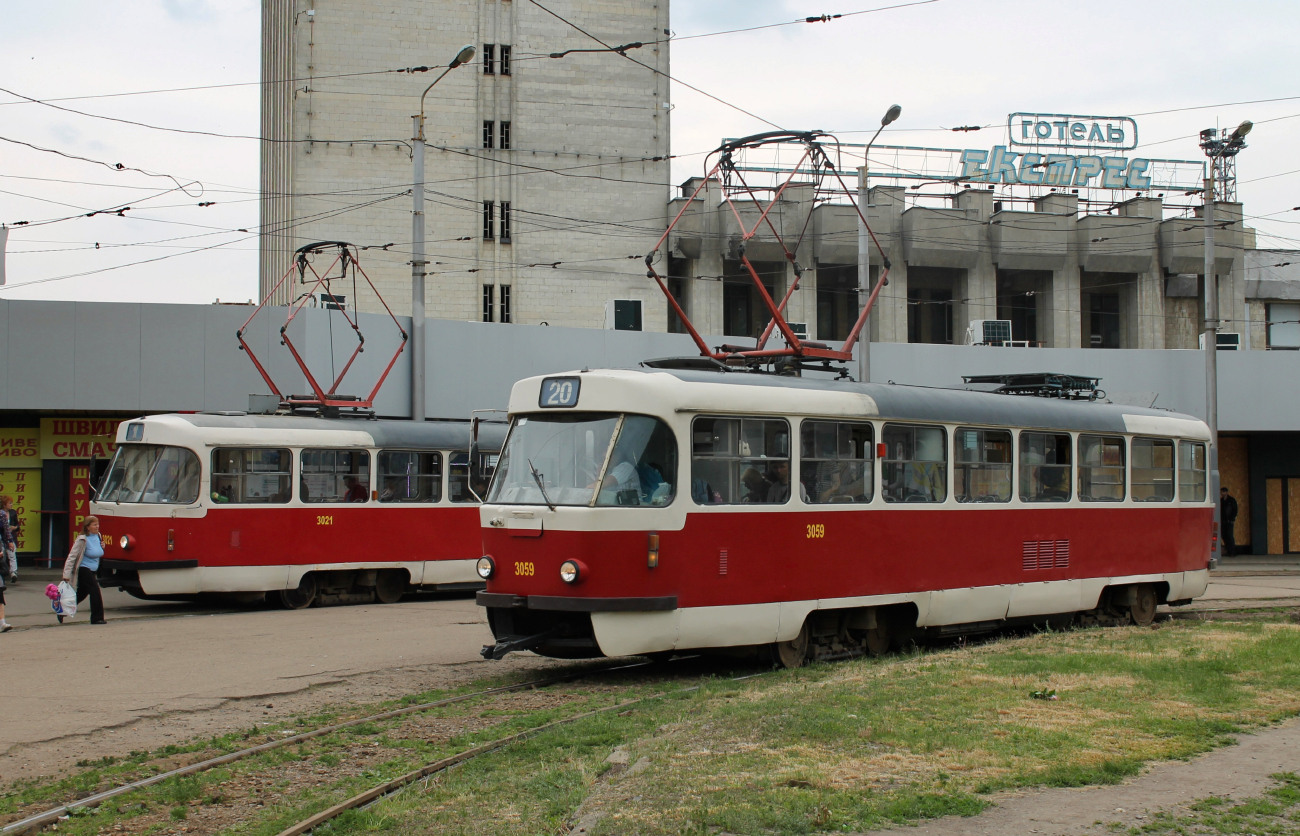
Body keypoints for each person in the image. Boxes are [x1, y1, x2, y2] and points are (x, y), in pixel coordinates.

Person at [62, 516, 106, 625]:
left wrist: (103, 547)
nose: (97, 526)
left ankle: (62, 610)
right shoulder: (82, 539)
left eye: (98, 524)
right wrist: (66, 574)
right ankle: (97, 618)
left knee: (82, 594)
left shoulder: (98, 536)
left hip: (93, 569)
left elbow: (97, 552)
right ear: (87, 527)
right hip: (84, 569)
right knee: (95, 591)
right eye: (94, 525)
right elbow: (72, 556)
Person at [1220, 486, 1239, 557]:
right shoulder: (1221, 501)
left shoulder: (1231, 500)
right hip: (1223, 521)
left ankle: (1232, 551)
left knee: (1230, 535)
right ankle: (1228, 550)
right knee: (1224, 535)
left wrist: (1232, 518)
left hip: (1229, 521)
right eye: (1222, 492)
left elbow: (1235, 510)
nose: (1222, 493)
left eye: (1224, 492)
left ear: (1226, 492)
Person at [0, 497, 14, 584]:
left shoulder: (1, 514)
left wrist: (10, 542)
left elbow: (6, 529)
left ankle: (1, 583)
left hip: (0, 542)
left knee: (1, 561)